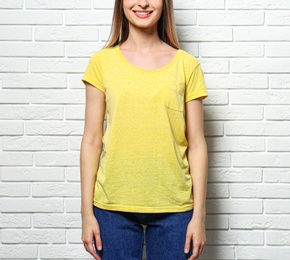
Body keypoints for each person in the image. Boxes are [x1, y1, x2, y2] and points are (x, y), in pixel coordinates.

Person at [79, 0, 208, 259]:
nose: (144, 3)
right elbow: (92, 140)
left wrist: (199, 217)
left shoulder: (187, 65)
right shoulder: (102, 62)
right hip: (112, 207)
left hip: (175, 207)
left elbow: (196, 144)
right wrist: (86, 213)